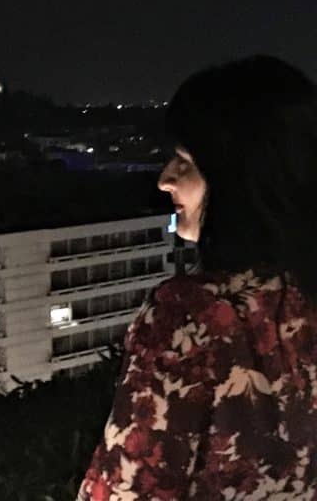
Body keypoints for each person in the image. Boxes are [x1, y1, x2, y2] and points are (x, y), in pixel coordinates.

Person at [77, 56, 317, 499]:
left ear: (240, 179)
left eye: (185, 161)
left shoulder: (194, 316)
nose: (165, 179)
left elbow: (130, 486)